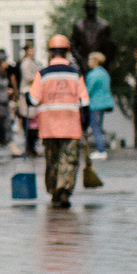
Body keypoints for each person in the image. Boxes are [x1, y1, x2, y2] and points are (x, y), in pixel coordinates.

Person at [29, 35, 90, 206]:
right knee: (68, 159)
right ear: (67, 52)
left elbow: (33, 100)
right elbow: (85, 102)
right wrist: (85, 125)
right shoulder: (76, 74)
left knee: (52, 159)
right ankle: (64, 190)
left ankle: (54, 192)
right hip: (71, 125)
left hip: (48, 127)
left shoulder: (42, 74)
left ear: (50, 52)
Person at [69, 0, 115, 79]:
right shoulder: (78, 26)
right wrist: (81, 61)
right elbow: (73, 46)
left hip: (100, 66)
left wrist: (102, 63)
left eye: (92, 7)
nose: (90, 10)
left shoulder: (104, 26)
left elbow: (109, 48)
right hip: (83, 65)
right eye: (88, 7)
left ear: (96, 8)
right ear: (85, 9)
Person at [84, 52, 114, 159]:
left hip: (95, 104)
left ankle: (101, 150)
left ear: (95, 61)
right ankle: (101, 149)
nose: (88, 62)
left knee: (95, 127)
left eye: (89, 60)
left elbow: (88, 90)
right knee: (98, 127)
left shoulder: (93, 75)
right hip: (104, 104)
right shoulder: (104, 73)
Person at [18, 42, 42, 156]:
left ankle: (32, 147)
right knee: (29, 123)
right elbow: (28, 77)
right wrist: (39, 76)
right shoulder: (26, 63)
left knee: (34, 124)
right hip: (27, 94)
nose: (33, 51)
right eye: (31, 49)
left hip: (33, 93)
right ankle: (29, 147)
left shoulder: (34, 62)